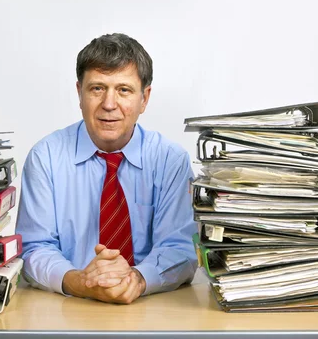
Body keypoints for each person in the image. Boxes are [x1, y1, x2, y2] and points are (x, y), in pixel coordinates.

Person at [16, 33, 197, 304]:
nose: (109, 104)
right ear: (79, 94)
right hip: (65, 308)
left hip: (149, 308)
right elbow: (33, 247)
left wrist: (136, 279)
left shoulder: (171, 160)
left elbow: (180, 249)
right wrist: (80, 281)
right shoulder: (46, 157)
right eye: (97, 88)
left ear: (144, 98)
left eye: (123, 90)